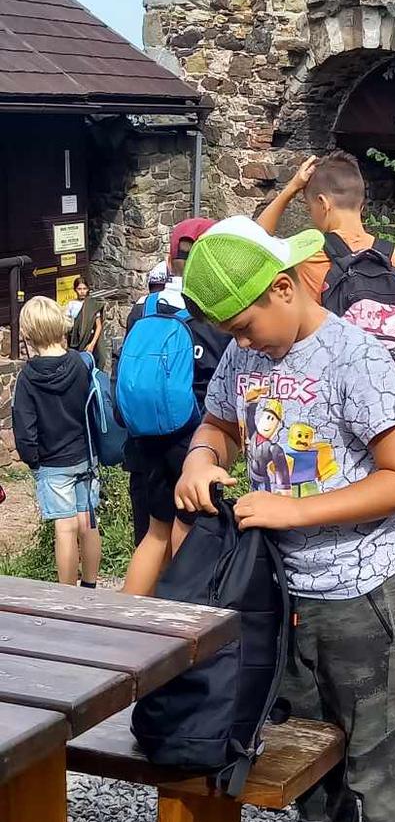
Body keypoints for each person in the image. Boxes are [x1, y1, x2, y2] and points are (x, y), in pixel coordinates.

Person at [175, 216, 395, 822]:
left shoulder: (356, 358)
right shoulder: (245, 353)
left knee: (375, 752)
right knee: (303, 742)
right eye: (229, 333)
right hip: (281, 592)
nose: (240, 343)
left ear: (284, 288)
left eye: (244, 325)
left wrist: (295, 510)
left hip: (360, 590)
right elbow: (217, 423)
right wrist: (199, 458)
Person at [120, 216, 227, 594]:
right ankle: (180, 618)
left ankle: (125, 617)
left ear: (170, 261)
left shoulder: (143, 309)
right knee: (189, 531)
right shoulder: (212, 314)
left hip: (145, 438)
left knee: (155, 532)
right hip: (193, 439)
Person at [12, 295, 102, 587]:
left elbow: (24, 428)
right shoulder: (80, 362)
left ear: (28, 334)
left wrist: (33, 460)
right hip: (85, 456)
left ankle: (67, 595)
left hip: (52, 463)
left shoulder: (28, 378)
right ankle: (91, 587)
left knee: (65, 528)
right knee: (87, 521)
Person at [259, 151, 395, 303]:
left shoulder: (309, 257)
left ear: (323, 203)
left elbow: (255, 240)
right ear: (361, 205)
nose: (310, 215)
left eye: (309, 208)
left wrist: (292, 188)